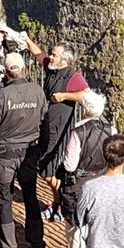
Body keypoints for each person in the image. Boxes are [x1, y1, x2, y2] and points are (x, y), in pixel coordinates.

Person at [0, 52, 47, 248]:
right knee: (30, 197)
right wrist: (42, 150)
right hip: (29, 153)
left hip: (4, 156)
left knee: (5, 200)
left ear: (5, 72)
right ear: (24, 69)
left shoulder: (0, 96)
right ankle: (36, 246)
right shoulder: (37, 91)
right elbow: (45, 120)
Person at [24, 38, 89, 222]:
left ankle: (59, 203)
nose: (50, 57)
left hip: (58, 130)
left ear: (65, 60)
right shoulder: (53, 69)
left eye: (55, 55)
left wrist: (64, 96)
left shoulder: (72, 76)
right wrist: (26, 39)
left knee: (48, 170)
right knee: (46, 169)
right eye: (52, 54)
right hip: (46, 125)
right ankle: (57, 202)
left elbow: (86, 94)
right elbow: (39, 56)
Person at [57, 90, 114, 248]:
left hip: (78, 187)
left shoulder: (78, 132)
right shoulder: (111, 130)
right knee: (95, 230)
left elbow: (70, 166)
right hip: (102, 185)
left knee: (76, 232)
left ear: (83, 110)